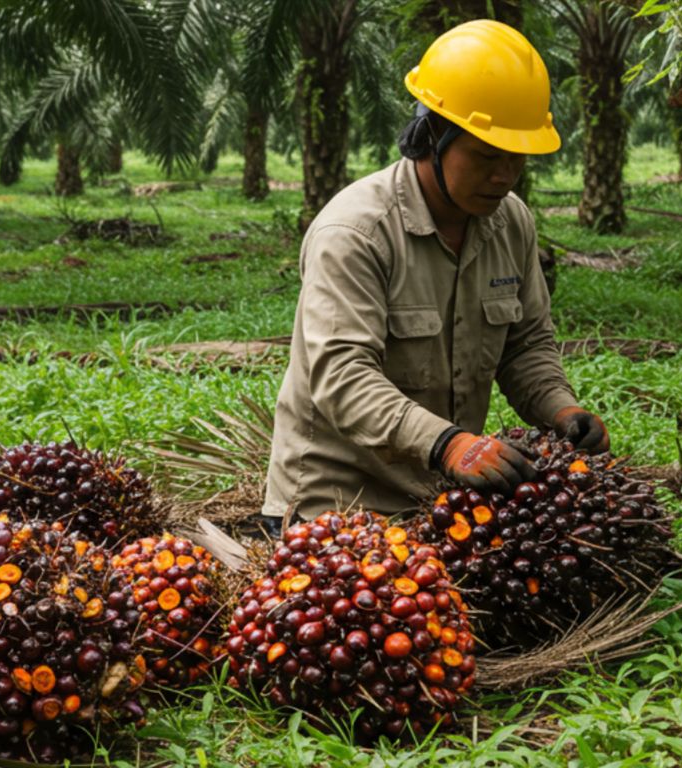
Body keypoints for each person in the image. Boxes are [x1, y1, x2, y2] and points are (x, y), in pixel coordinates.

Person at [258, 19, 608, 536]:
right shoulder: (355, 232)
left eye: (518, 159)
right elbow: (341, 376)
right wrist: (448, 444)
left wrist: (561, 409)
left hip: (441, 501)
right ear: (430, 137)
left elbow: (525, 346)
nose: (505, 175)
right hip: (331, 509)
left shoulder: (512, 223)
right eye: (488, 156)